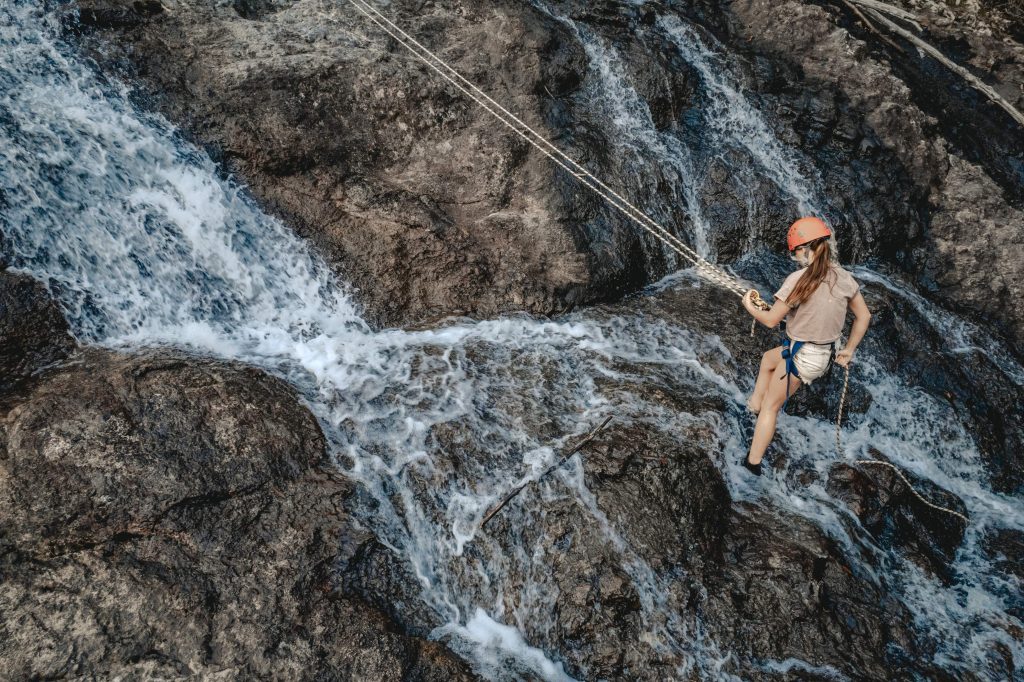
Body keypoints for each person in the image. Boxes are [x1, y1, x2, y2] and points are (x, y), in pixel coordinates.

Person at [739, 217, 872, 476]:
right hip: (821, 352)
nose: (796, 257)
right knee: (768, 359)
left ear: (805, 249)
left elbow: (770, 319)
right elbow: (864, 316)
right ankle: (753, 406)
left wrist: (748, 303)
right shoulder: (843, 277)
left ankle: (752, 464)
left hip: (802, 358)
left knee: (772, 407)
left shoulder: (799, 279)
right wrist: (849, 350)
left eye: (796, 252)